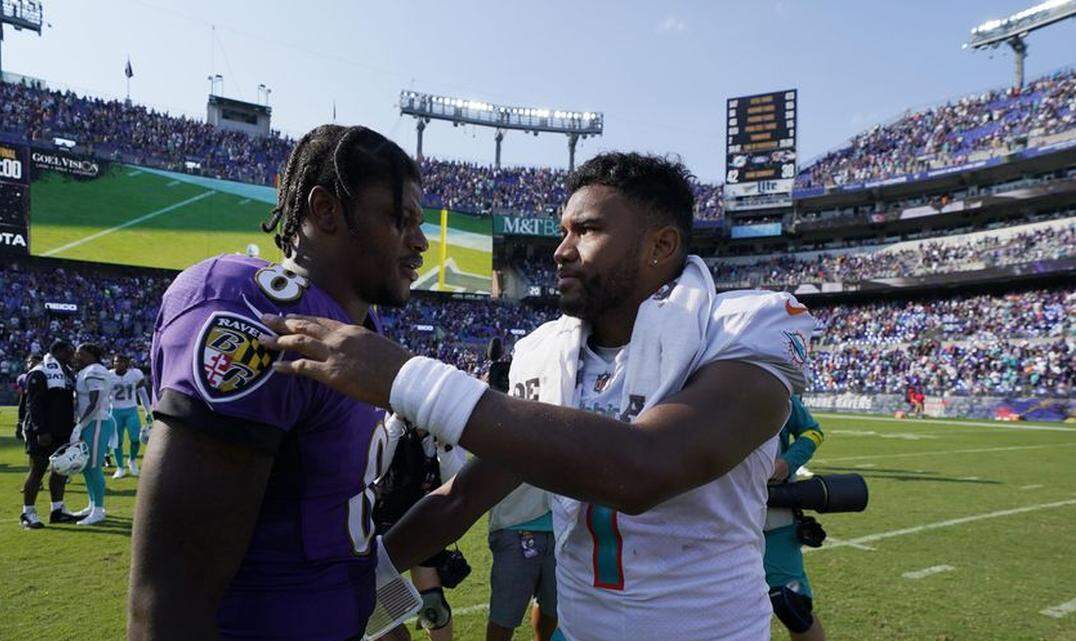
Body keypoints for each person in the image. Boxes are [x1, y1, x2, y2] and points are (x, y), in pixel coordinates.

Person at [265, 152, 817, 641]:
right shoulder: (543, 352)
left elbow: (645, 468)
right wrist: (371, 576)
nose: (561, 251)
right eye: (563, 231)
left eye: (587, 230)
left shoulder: (743, 328)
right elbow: (464, 496)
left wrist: (405, 378)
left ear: (661, 245)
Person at [128, 124, 427, 641]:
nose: (420, 242)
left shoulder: (359, 333)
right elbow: (171, 594)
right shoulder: (257, 311)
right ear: (327, 211)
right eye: (400, 220)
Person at [482, 338, 559, 641]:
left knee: (553, 609)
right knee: (504, 616)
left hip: (560, 525)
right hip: (516, 525)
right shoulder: (499, 413)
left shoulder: (561, 402)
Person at [373, 419, 467, 641]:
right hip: (382, 522)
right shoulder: (390, 424)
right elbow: (378, 470)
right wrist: (397, 419)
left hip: (423, 522)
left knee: (432, 604)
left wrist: (444, 447)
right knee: (385, 615)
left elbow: (455, 482)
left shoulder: (444, 430)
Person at [764, 396, 827, 641]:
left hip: (775, 519)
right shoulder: (702, 384)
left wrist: (787, 463)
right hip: (720, 521)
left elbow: (813, 432)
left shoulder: (778, 391)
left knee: (792, 608)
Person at [20, 341, 81, 529]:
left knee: (61, 470)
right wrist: (41, 430)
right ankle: (27, 513)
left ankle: (58, 510)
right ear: (59, 352)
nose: (73, 356)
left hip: (62, 429)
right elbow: (34, 404)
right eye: (70, 352)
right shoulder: (40, 371)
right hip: (43, 430)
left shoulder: (67, 372)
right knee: (38, 469)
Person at [71, 343, 114, 526]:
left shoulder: (95, 370)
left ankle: (99, 509)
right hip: (91, 422)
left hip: (96, 422)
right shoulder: (88, 370)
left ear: (90, 354)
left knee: (94, 465)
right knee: (87, 466)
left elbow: (95, 402)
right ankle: (92, 504)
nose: (76, 356)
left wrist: (80, 425)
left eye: (80, 353)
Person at [108, 354, 152, 478]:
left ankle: (132, 461)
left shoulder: (135, 374)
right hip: (115, 412)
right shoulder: (108, 375)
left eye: (121, 362)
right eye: (116, 362)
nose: (118, 364)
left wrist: (148, 411)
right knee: (117, 441)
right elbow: (104, 396)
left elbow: (142, 393)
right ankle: (120, 467)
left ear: (127, 363)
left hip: (131, 410)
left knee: (135, 439)